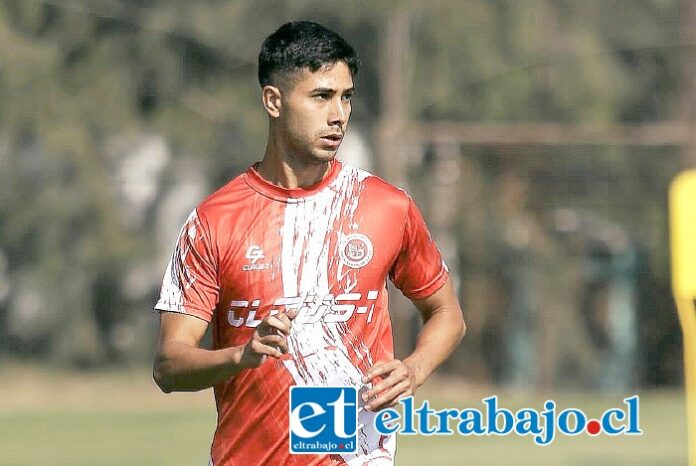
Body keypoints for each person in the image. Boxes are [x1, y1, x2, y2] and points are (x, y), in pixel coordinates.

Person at [152, 20, 465, 466]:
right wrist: (240, 355)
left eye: (346, 96)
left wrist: (414, 369)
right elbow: (168, 365)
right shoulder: (213, 221)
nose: (339, 114)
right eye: (321, 96)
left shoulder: (386, 208)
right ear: (273, 101)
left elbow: (447, 313)